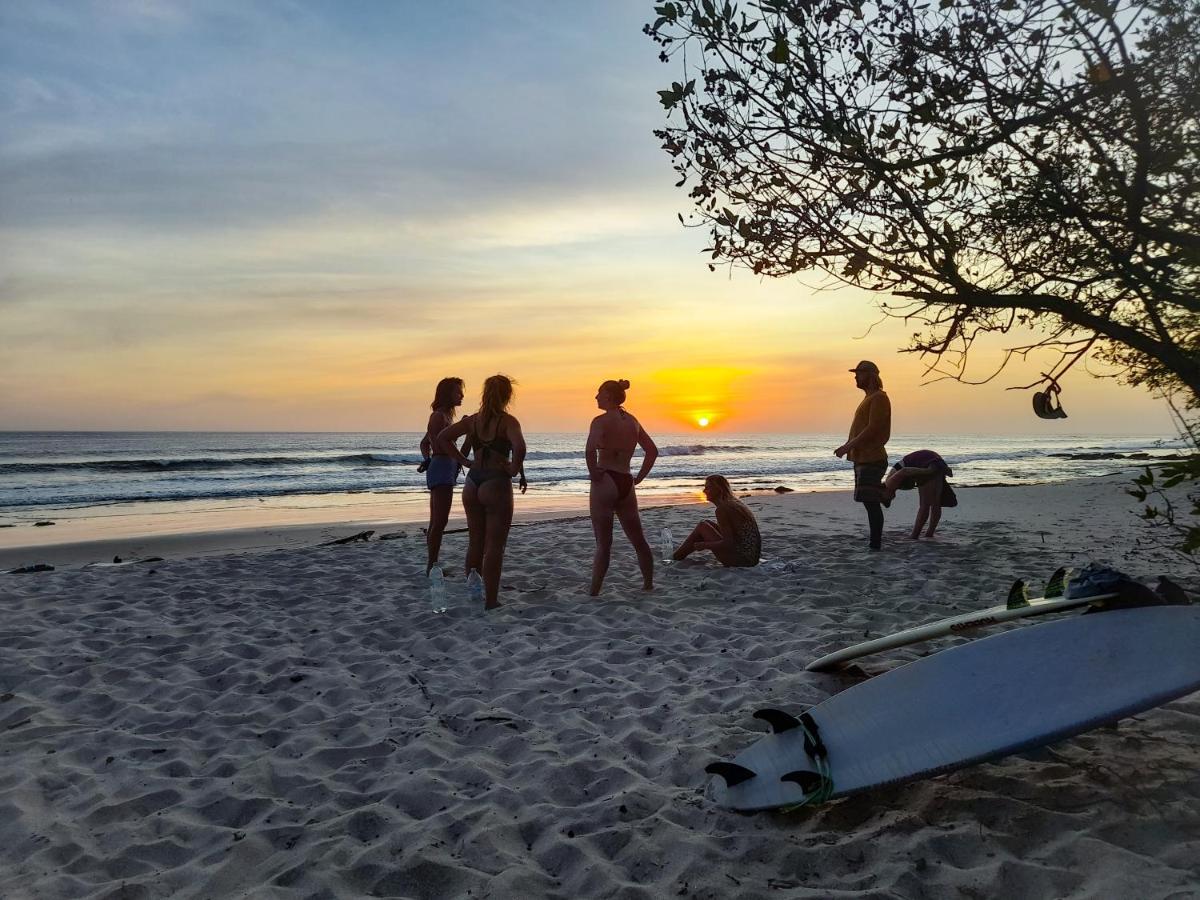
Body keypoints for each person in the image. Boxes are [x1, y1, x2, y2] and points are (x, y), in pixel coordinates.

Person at [436, 374, 527, 609]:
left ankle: (474, 592)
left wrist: (465, 462)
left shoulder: (473, 421)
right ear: (507, 396)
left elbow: (443, 438)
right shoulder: (508, 422)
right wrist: (514, 468)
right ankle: (491, 599)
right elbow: (520, 447)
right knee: (495, 545)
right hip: (496, 482)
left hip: (473, 483)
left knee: (475, 542)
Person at [586, 379, 658, 596]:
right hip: (626, 481)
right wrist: (640, 478)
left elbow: (590, 450)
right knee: (638, 539)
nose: (596, 397)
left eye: (599, 393)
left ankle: (594, 591)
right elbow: (652, 451)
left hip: (605, 478)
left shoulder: (600, 421)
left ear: (608, 395)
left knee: (604, 543)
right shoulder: (633, 421)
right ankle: (648, 584)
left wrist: (593, 472)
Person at [834, 360, 892, 550]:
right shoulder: (868, 399)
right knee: (866, 499)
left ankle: (875, 544)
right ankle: (883, 493)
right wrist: (849, 448)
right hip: (861, 458)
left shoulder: (879, 398)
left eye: (859, 373)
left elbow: (872, 428)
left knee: (870, 501)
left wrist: (847, 446)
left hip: (873, 457)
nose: (855, 377)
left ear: (869, 375)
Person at [418, 377, 467, 575]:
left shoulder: (443, 416)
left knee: (436, 521)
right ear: (448, 395)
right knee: (439, 521)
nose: (462, 395)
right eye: (458, 392)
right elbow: (443, 443)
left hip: (442, 465)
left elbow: (425, 443)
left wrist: (427, 459)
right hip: (443, 466)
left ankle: (432, 565)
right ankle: (432, 566)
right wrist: (464, 460)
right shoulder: (439, 417)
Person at [672, 475, 761, 567]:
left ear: (719, 489)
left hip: (742, 561)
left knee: (703, 526)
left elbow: (728, 543)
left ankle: (675, 557)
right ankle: (677, 556)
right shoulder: (733, 504)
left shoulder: (723, 509)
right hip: (752, 558)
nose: (704, 491)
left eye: (708, 488)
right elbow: (733, 537)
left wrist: (704, 545)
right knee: (707, 524)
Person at [883, 449, 956, 540]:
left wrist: (928, 471)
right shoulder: (891, 482)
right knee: (935, 503)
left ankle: (915, 535)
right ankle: (929, 533)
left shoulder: (889, 484)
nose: (889, 501)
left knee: (925, 504)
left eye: (886, 500)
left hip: (925, 463)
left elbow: (905, 471)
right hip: (934, 460)